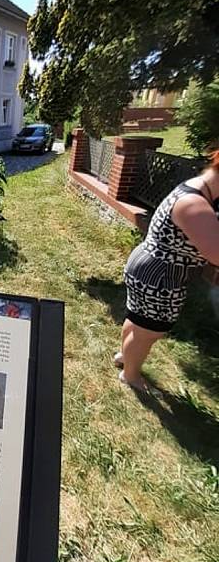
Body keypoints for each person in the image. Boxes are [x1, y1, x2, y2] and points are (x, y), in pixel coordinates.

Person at [118, 150, 219, 391]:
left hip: (148, 265)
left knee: (137, 319)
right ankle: (130, 375)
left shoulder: (196, 189)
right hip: (162, 275)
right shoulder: (194, 203)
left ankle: (125, 356)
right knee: (149, 331)